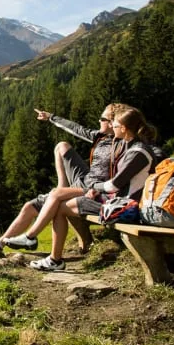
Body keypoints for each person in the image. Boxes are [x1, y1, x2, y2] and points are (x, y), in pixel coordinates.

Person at [0, 104, 127, 257]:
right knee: (31, 204)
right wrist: (51, 117)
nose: (98, 121)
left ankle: (31, 238)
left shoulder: (123, 143)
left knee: (54, 199)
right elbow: (76, 129)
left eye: (102, 118)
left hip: (95, 190)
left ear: (112, 123)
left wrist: (100, 191)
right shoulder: (99, 137)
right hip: (85, 181)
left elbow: (125, 174)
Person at [28, 105, 159, 271]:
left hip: (125, 207)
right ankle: (51, 255)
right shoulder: (132, 147)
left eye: (115, 125)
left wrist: (94, 187)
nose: (112, 127)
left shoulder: (137, 152)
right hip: (117, 200)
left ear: (124, 128)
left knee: (60, 208)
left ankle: (53, 259)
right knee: (60, 204)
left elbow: (114, 184)